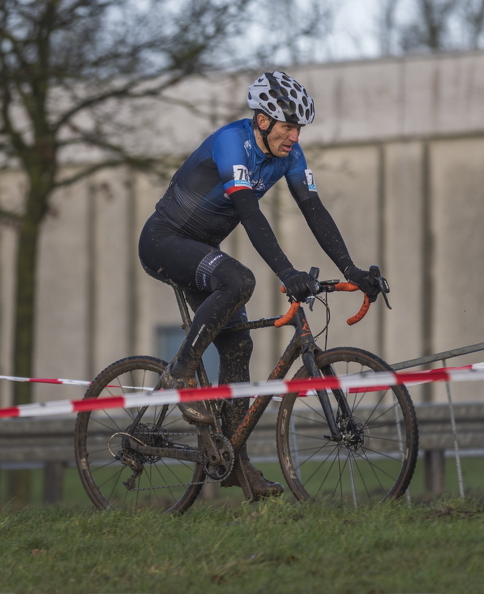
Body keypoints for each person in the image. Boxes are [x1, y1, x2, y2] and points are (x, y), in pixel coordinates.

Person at [138, 71, 382, 497]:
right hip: (164, 241)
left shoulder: (289, 154)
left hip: (201, 251)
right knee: (240, 280)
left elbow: (313, 209)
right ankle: (179, 376)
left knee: (239, 347)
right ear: (263, 120)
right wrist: (286, 273)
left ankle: (236, 465)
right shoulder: (232, 143)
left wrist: (351, 270)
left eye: (299, 128)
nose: (295, 136)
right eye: (288, 126)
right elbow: (249, 213)